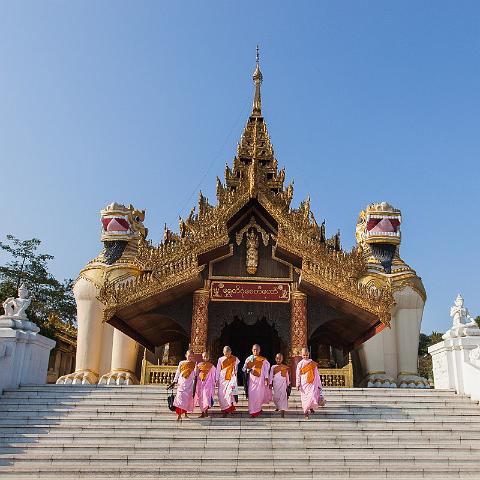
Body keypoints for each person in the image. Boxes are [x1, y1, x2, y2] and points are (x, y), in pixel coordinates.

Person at [243, 344, 271, 418]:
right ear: (252, 350)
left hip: (260, 380)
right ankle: (252, 411)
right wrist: (248, 369)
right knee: (252, 396)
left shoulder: (263, 360)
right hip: (252, 381)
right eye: (254, 349)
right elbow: (243, 369)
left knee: (259, 395)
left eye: (257, 349)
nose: (255, 351)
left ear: (259, 350)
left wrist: (266, 378)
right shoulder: (249, 359)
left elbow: (265, 370)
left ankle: (258, 409)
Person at [296, 347, 325, 419]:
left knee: (312, 395)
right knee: (305, 398)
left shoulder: (312, 363)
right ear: (301, 355)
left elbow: (316, 374)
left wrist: (318, 384)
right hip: (304, 383)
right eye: (304, 355)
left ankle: (311, 407)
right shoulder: (300, 364)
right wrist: (298, 384)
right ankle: (306, 412)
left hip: (312, 383)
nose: (305, 357)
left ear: (308, 354)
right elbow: (298, 374)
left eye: (306, 355)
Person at [172, 350, 196, 422]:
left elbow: (195, 374)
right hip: (181, 383)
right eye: (189, 356)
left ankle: (185, 413)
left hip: (189, 384)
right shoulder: (181, 363)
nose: (190, 357)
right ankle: (179, 415)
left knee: (187, 399)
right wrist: (174, 381)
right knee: (180, 398)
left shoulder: (194, 364)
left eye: (192, 356)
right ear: (186, 355)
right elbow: (178, 372)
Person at [216, 345, 240, 417]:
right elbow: (218, 370)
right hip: (222, 379)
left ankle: (229, 410)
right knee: (221, 395)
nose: (227, 354)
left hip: (230, 378)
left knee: (229, 393)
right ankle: (224, 409)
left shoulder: (234, 359)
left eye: (228, 353)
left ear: (231, 352)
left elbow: (236, 369)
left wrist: (234, 374)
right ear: (223, 352)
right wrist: (216, 379)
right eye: (225, 353)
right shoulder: (220, 359)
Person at [195, 351, 216, 418]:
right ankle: (202, 412)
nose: (205, 358)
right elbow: (196, 374)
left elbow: (214, 375)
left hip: (208, 384)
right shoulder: (199, 365)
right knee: (200, 398)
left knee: (206, 397)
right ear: (202, 357)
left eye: (207, 357)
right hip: (200, 383)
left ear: (208, 358)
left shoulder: (211, 366)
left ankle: (206, 411)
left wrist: (214, 383)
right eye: (204, 357)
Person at [269, 353, 290, 418]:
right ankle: (278, 406)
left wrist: (288, 384)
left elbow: (287, 376)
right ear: (275, 359)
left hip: (283, 384)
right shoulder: (273, 367)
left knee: (283, 397)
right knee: (276, 397)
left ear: (282, 359)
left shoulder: (285, 367)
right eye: (277, 358)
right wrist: (270, 383)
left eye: (280, 358)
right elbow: (271, 375)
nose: (278, 360)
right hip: (276, 384)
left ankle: (282, 411)